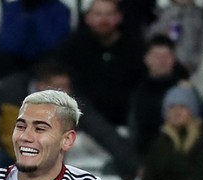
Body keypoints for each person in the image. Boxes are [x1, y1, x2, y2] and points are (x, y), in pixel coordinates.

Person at [0, 58, 139, 179]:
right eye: (60, 88)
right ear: (40, 86)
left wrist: (133, 164)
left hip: (43, 159)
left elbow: (102, 131)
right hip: (7, 152)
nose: (65, 93)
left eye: (67, 87)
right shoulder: (11, 91)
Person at [55, 0, 146, 128]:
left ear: (119, 17)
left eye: (109, 14)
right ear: (87, 18)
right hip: (81, 122)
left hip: (123, 122)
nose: (104, 20)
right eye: (98, 14)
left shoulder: (134, 48)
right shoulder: (73, 47)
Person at [126, 34, 190, 158]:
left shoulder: (184, 90)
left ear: (174, 59)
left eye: (166, 56)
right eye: (156, 56)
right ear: (146, 59)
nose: (161, 61)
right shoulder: (138, 91)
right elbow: (135, 130)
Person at [146, 0, 203, 73]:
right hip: (159, 69)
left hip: (188, 70)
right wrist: (160, 35)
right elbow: (147, 38)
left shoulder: (201, 17)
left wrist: (192, 63)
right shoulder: (160, 13)